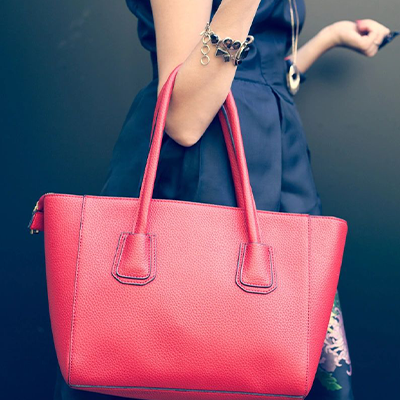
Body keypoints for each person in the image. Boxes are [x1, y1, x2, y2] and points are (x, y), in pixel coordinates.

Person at [53, 0, 391, 399]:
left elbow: (258, 68)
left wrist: (328, 39)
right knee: (193, 344)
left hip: (276, 157)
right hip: (205, 166)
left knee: (279, 341)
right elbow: (185, 115)